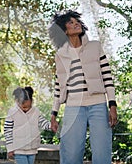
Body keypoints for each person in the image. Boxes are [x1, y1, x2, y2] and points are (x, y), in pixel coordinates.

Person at [48, 10, 118, 164]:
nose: (76, 24)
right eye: (71, 23)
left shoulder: (95, 46)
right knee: (70, 154)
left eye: (77, 21)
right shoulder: (60, 55)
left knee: (102, 153)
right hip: (73, 107)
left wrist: (112, 104)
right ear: (64, 30)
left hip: (98, 105)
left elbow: (107, 76)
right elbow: (58, 86)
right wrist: (54, 113)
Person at [4, 86, 55, 164]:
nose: (26, 109)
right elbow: (7, 130)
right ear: (17, 101)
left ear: (31, 101)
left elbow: (42, 122)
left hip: (32, 149)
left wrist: (51, 125)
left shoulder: (36, 111)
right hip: (18, 149)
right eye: (24, 107)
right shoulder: (12, 112)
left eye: (28, 106)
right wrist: (10, 148)